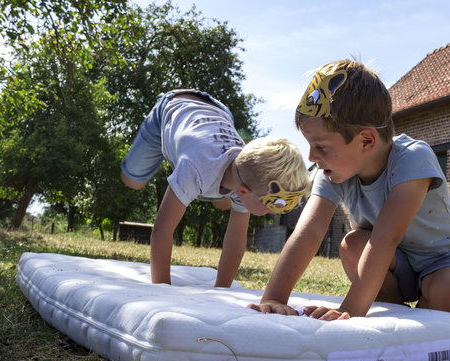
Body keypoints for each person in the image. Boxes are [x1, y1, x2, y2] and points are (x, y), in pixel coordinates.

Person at [249, 60, 450, 320]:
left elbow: (385, 237)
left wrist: (350, 311)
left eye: (321, 146)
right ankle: (395, 313)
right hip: (394, 266)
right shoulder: (333, 172)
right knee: (353, 245)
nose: (312, 156)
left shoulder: (413, 157)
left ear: (366, 141)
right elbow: (308, 233)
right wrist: (274, 298)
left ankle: (423, 318)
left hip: (442, 262)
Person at [121, 89, 309, 287]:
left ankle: (220, 192)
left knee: (224, 204)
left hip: (220, 112)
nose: (272, 213)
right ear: (244, 192)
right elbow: (162, 230)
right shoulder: (195, 168)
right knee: (133, 181)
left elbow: (235, 243)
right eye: (271, 206)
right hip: (171, 109)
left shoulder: (246, 179)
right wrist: (162, 288)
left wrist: (221, 290)